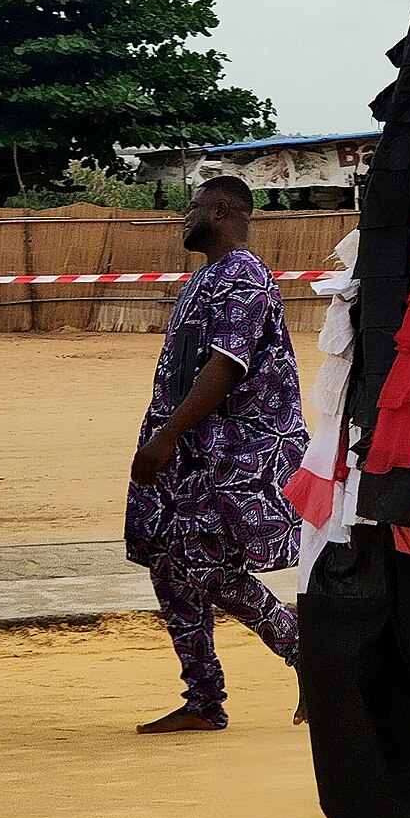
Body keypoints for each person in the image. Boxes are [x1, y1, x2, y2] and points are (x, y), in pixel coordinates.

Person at [125, 175, 308, 734]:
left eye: (194, 206)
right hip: (189, 451)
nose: (185, 216)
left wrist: (166, 435)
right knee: (167, 560)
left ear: (224, 211)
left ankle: (308, 654)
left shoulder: (244, 278)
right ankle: (203, 700)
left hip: (234, 451)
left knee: (207, 564)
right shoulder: (203, 278)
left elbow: (227, 367)